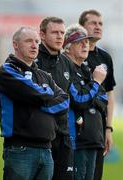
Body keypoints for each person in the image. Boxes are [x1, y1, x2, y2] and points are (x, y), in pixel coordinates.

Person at [0, 26, 69, 180]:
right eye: (29, 41)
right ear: (15, 44)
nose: (34, 45)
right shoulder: (6, 71)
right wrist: (46, 95)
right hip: (20, 150)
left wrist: (40, 101)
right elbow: (36, 95)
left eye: (37, 41)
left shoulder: (45, 76)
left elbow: (64, 101)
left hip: (46, 149)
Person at [63, 24, 108, 180]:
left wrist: (92, 89)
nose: (85, 45)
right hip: (77, 141)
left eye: (87, 42)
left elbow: (103, 100)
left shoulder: (87, 70)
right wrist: (95, 83)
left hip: (93, 139)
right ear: (67, 47)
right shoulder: (66, 69)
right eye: (79, 42)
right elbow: (79, 100)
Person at [79, 9, 116, 180]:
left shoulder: (105, 57)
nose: (98, 26)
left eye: (100, 23)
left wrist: (108, 129)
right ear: (82, 27)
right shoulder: (73, 54)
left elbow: (110, 94)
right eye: (93, 23)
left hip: (98, 131)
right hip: (77, 130)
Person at [36, 16, 74, 180]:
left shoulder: (67, 62)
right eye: (55, 32)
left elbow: (70, 96)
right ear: (42, 35)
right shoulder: (32, 60)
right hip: (40, 137)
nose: (60, 37)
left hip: (63, 137)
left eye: (62, 33)